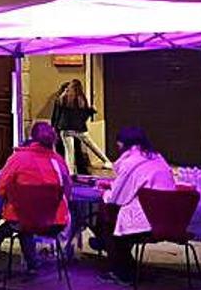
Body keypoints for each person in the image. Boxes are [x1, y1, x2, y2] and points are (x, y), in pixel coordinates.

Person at [98, 127, 175, 286]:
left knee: (106, 221)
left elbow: (117, 198)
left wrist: (105, 192)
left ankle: (122, 271)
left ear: (123, 144)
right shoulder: (158, 159)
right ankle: (129, 266)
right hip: (168, 219)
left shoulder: (130, 163)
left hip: (145, 222)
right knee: (112, 222)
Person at [0, 122, 71, 274]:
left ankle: (32, 264)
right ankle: (64, 256)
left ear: (31, 138)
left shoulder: (17, 159)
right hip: (55, 222)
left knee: (23, 218)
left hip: (24, 220)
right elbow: (67, 191)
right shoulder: (58, 161)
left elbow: (0, 190)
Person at [57, 79, 112, 172]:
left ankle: (70, 172)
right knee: (92, 145)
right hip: (79, 128)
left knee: (69, 152)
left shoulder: (63, 98)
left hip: (66, 128)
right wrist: (91, 110)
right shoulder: (81, 99)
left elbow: (58, 109)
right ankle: (107, 161)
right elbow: (84, 116)